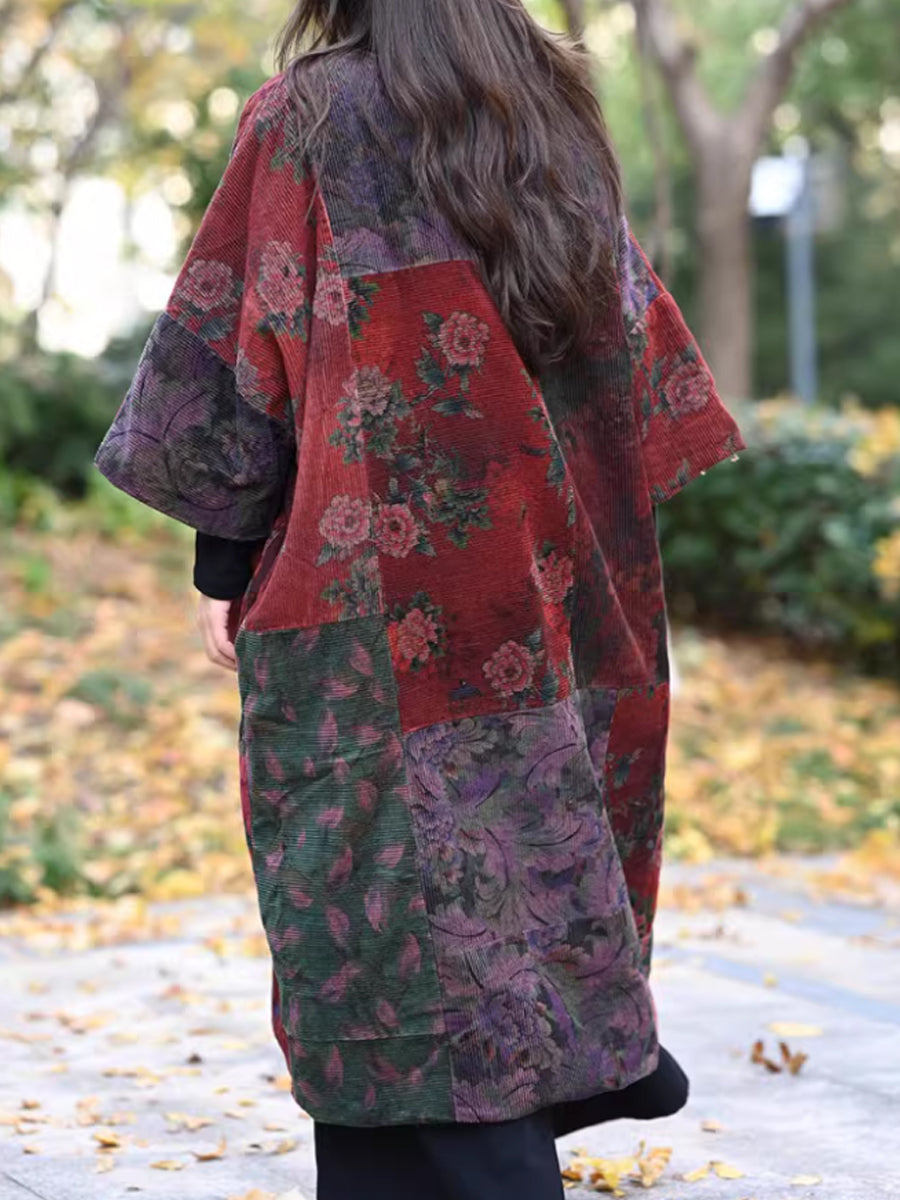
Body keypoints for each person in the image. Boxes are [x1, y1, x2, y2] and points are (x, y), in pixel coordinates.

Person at [95, 2, 745, 1196]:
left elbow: (240, 337)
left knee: (382, 917)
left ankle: (518, 1140)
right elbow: (628, 347)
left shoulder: (307, 115)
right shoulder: (551, 105)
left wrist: (221, 562)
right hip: (549, 577)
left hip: (369, 598)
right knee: (510, 877)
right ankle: (590, 1066)